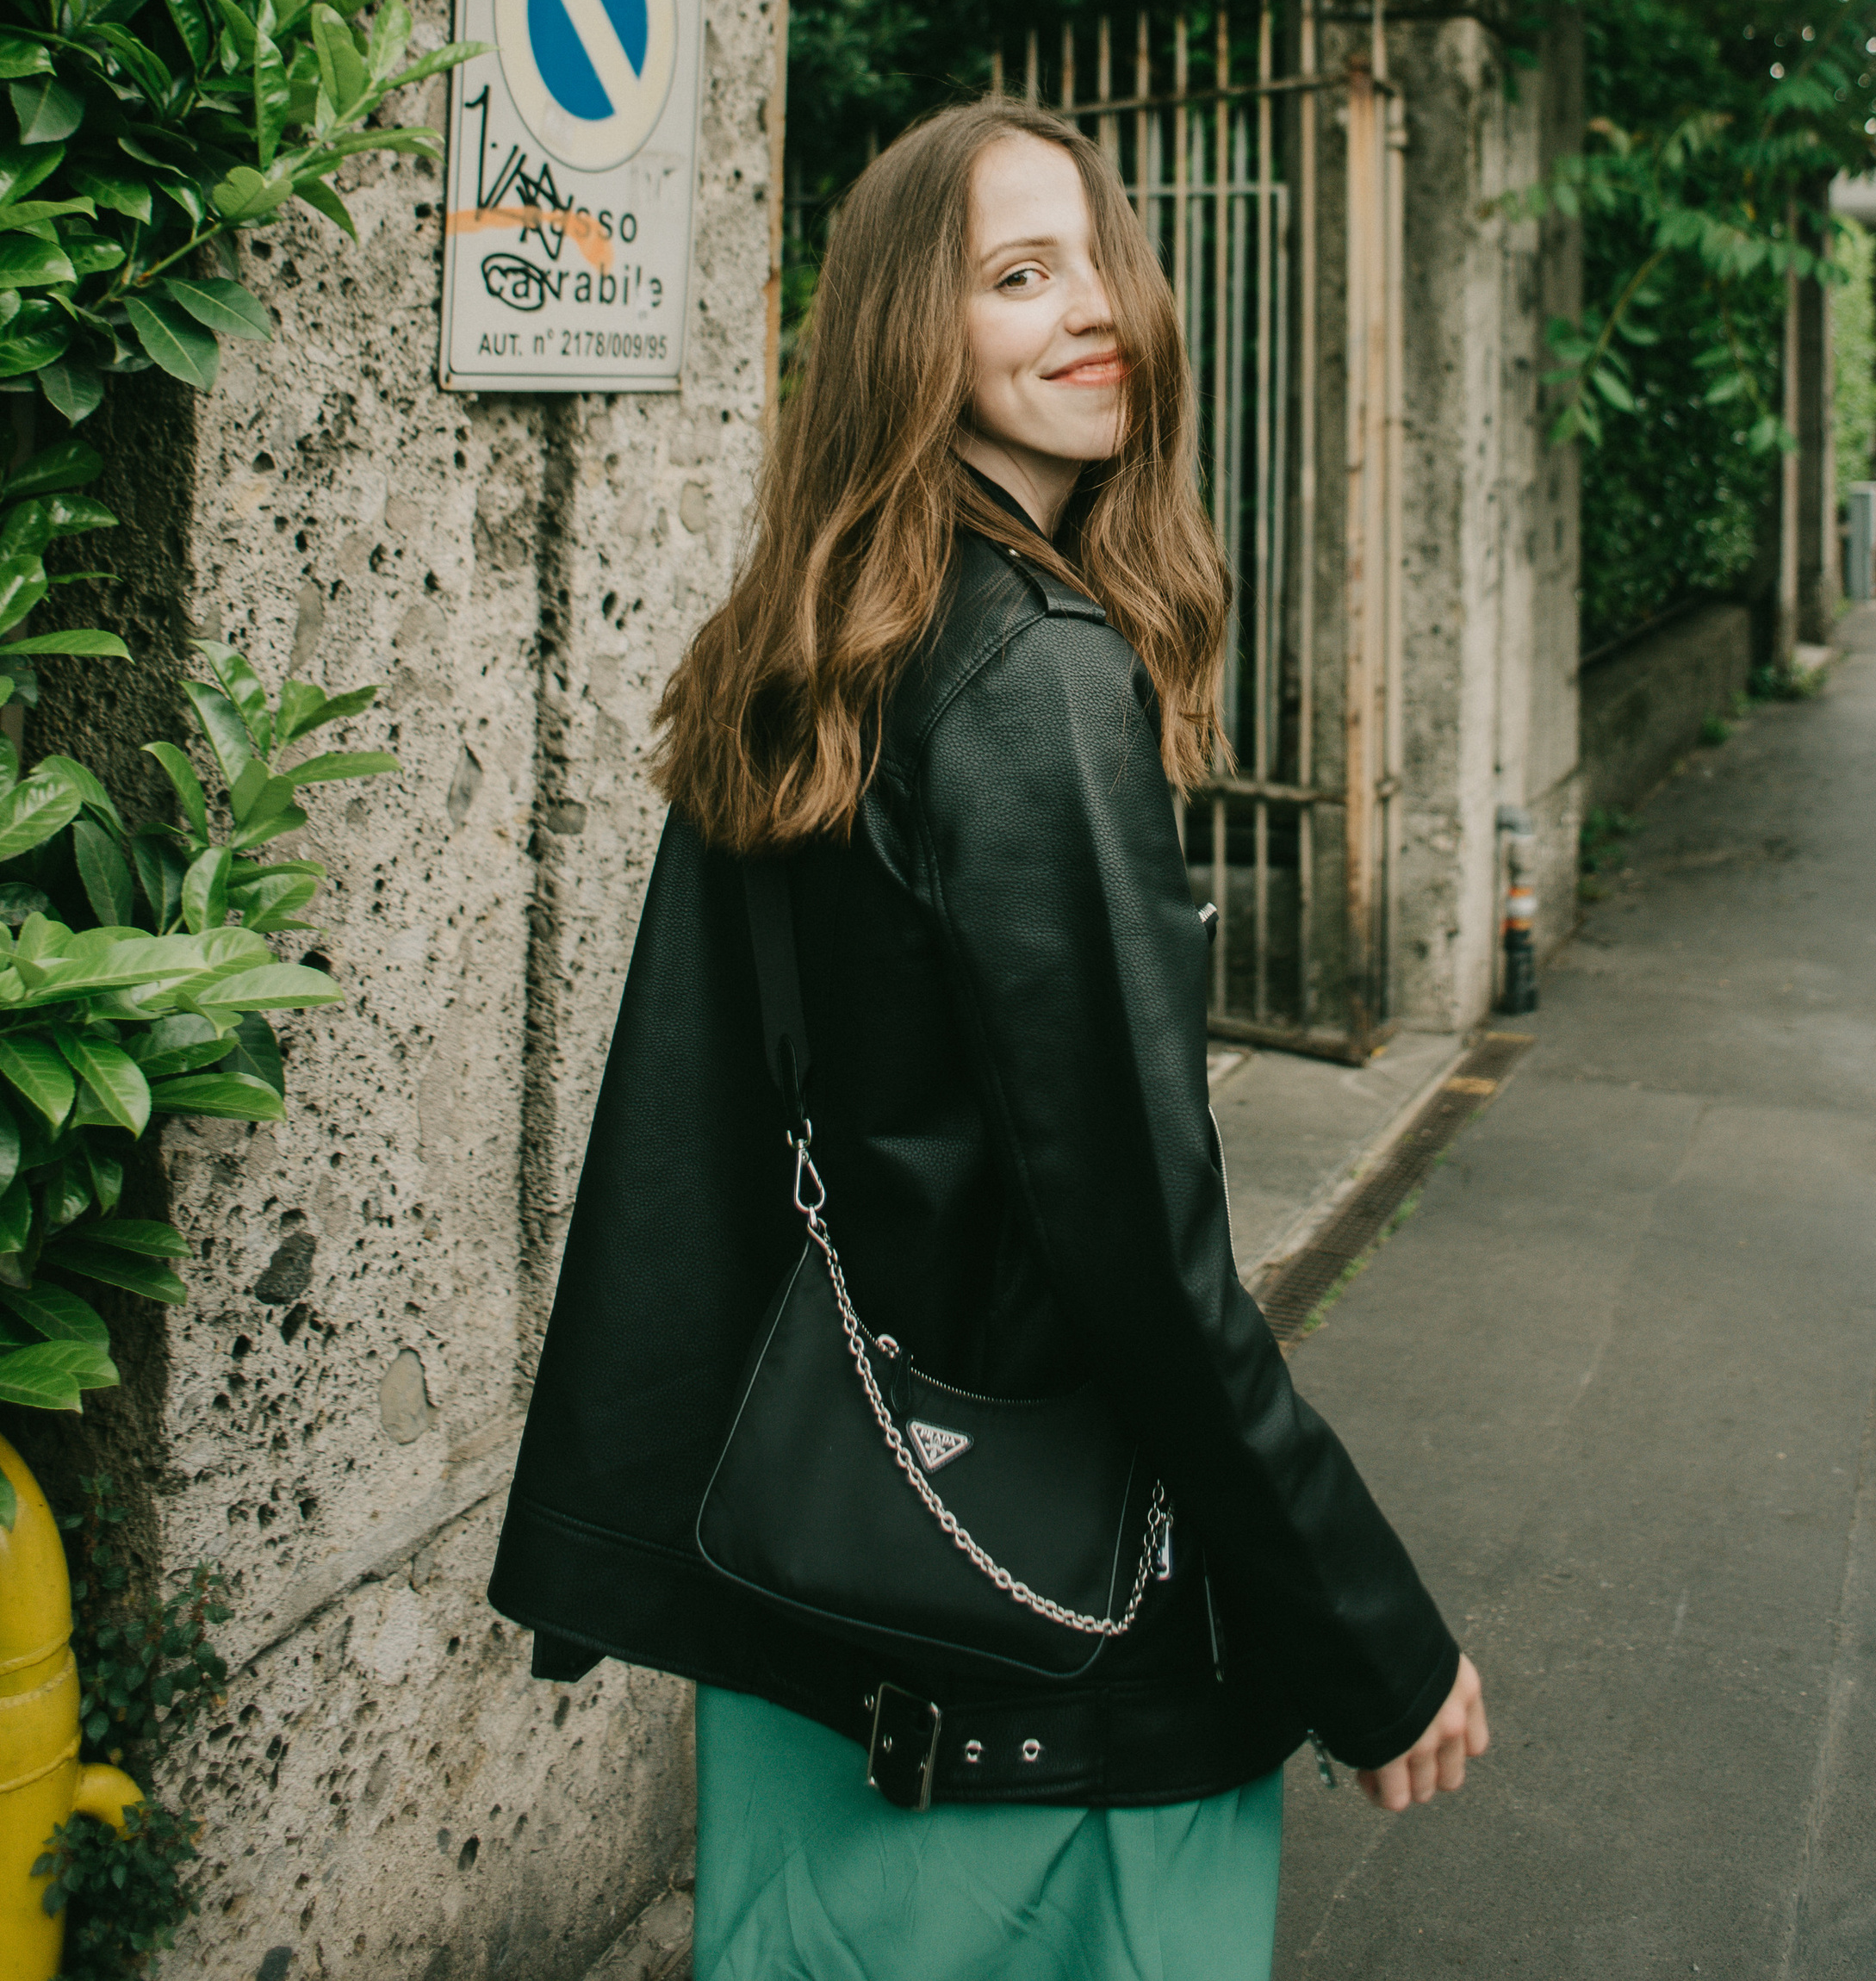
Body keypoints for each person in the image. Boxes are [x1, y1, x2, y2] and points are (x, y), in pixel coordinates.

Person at [490, 96, 1488, 1981]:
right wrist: (1370, 1637)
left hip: (811, 1564)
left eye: (1098, 254)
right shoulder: (1032, 680)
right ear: (903, 335)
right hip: (1039, 1641)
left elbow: (694, 1136)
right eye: (1014, 275)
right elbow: (1137, 1254)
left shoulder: (811, 649)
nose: (1091, 304)